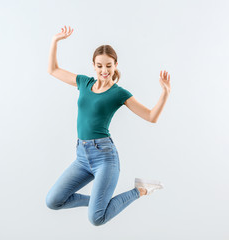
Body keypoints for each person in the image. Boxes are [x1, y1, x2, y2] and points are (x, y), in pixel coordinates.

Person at [45, 25, 171, 226]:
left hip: (104, 157)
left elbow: (151, 116)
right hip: (82, 156)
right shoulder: (84, 83)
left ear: (115, 65)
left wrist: (165, 93)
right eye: (100, 65)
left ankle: (139, 190)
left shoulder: (119, 93)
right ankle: (98, 203)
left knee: (96, 218)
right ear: (94, 66)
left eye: (109, 65)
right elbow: (53, 69)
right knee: (53, 201)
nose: (104, 70)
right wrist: (55, 40)